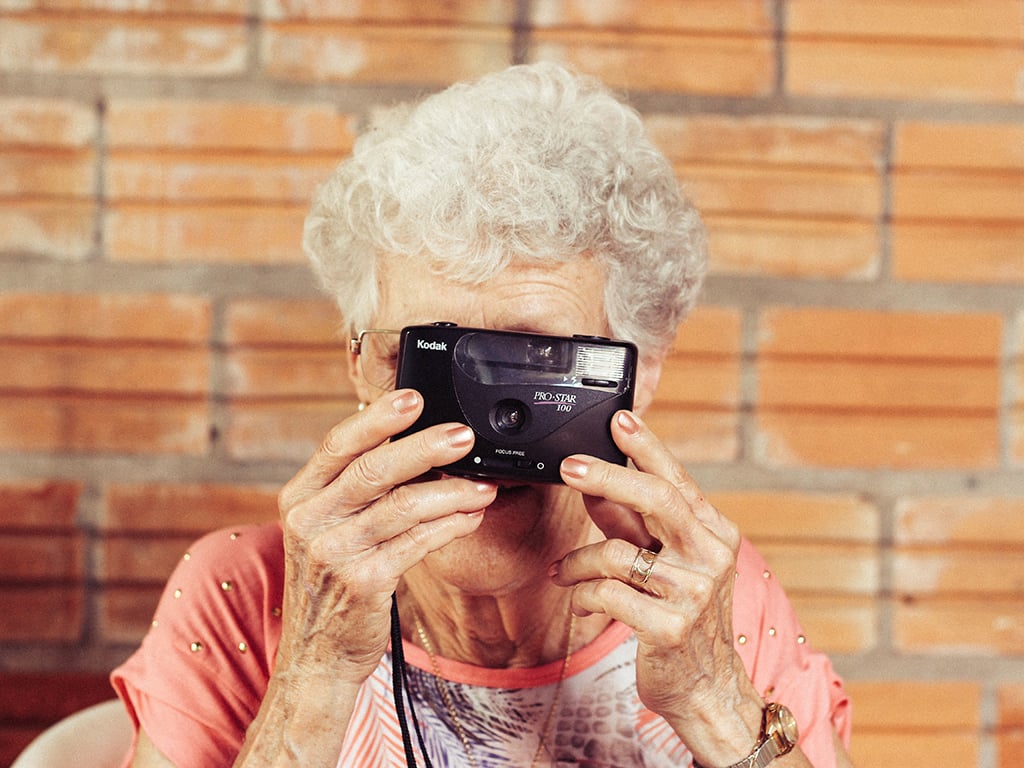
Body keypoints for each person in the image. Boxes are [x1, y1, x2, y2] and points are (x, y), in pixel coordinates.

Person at [112, 62, 853, 768]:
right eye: (428, 361)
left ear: (640, 372)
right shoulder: (245, 594)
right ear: (360, 367)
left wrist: (712, 697)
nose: (475, 433)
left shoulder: (701, 598)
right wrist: (316, 672)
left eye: (534, 366)